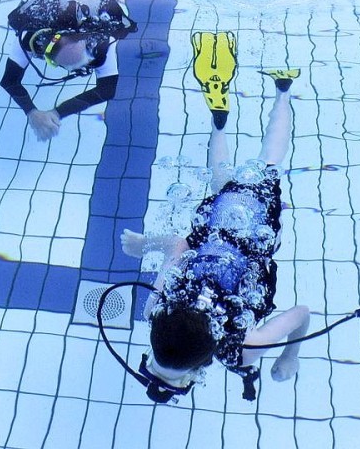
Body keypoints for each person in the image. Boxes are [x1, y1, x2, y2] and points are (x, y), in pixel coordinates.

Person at [121, 33, 309, 397]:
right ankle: (219, 119)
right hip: (214, 225)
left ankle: (283, 87)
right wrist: (146, 244)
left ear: (194, 374)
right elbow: (179, 245)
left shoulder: (246, 348)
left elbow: (301, 313)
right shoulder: (154, 313)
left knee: (269, 163)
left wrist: (290, 355)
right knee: (221, 186)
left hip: (255, 230)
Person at [0, 0, 140, 141]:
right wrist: (34, 113)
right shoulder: (30, 38)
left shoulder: (102, 39)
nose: (82, 68)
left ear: (88, 42)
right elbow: (9, 81)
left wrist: (56, 113)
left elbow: (109, 89)